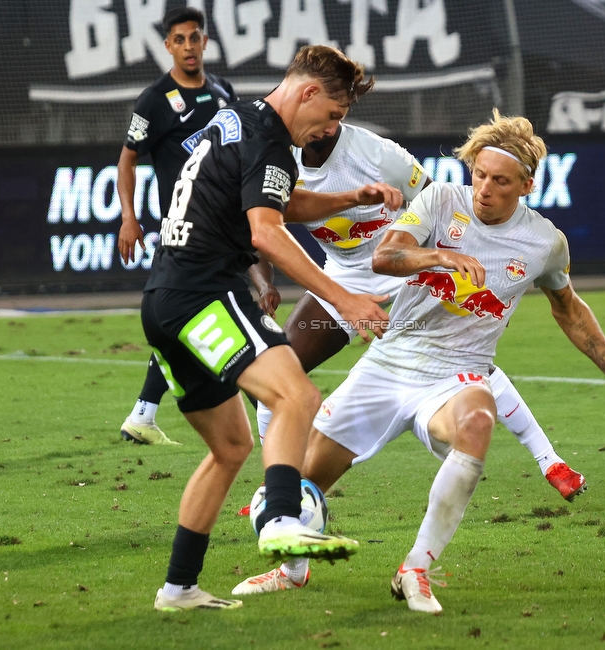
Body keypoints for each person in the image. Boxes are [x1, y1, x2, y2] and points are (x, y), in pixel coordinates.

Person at [233, 110, 605, 613]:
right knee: (304, 481)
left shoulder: (545, 243)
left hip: (455, 374)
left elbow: (568, 308)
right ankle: (292, 573)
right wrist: (438, 257)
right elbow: (385, 257)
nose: (484, 188)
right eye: (479, 174)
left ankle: (415, 568)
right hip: (389, 364)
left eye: (500, 181)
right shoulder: (441, 200)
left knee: (478, 418)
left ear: (527, 185)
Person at [142, 44, 404, 612]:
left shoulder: (236, 120)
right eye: (333, 114)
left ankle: (178, 587)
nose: (329, 128)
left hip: (163, 300)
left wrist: (346, 199)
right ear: (308, 91)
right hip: (204, 293)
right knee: (297, 395)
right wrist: (344, 298)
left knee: (232, 447)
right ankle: (283, 519)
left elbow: (279, 200)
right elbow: (265, 230)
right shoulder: (272, 141)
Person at [252, 122, 587, 507]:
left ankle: (550, 460)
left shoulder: (377, 153)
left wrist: (463, 274)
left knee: (466, 355)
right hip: (347, 277)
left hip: (409, 264)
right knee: (278, 371)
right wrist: (264, 283)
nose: (320, 123)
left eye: (334, 110)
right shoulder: (281, 161)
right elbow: (261, 221)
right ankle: (277, 489)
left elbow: (437, 201)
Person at [116, 6, 277, 446]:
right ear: (168, 45)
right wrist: (130, 218)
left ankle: (143, 415)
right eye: (179, 39)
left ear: (205, 41)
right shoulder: (154, 101)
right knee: (201, 314)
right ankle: (269, 410)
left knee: (189, 318)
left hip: (224, 222)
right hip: (183, 230)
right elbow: (127, 159)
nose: (189, 46)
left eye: (195, 37)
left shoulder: (225, 91)